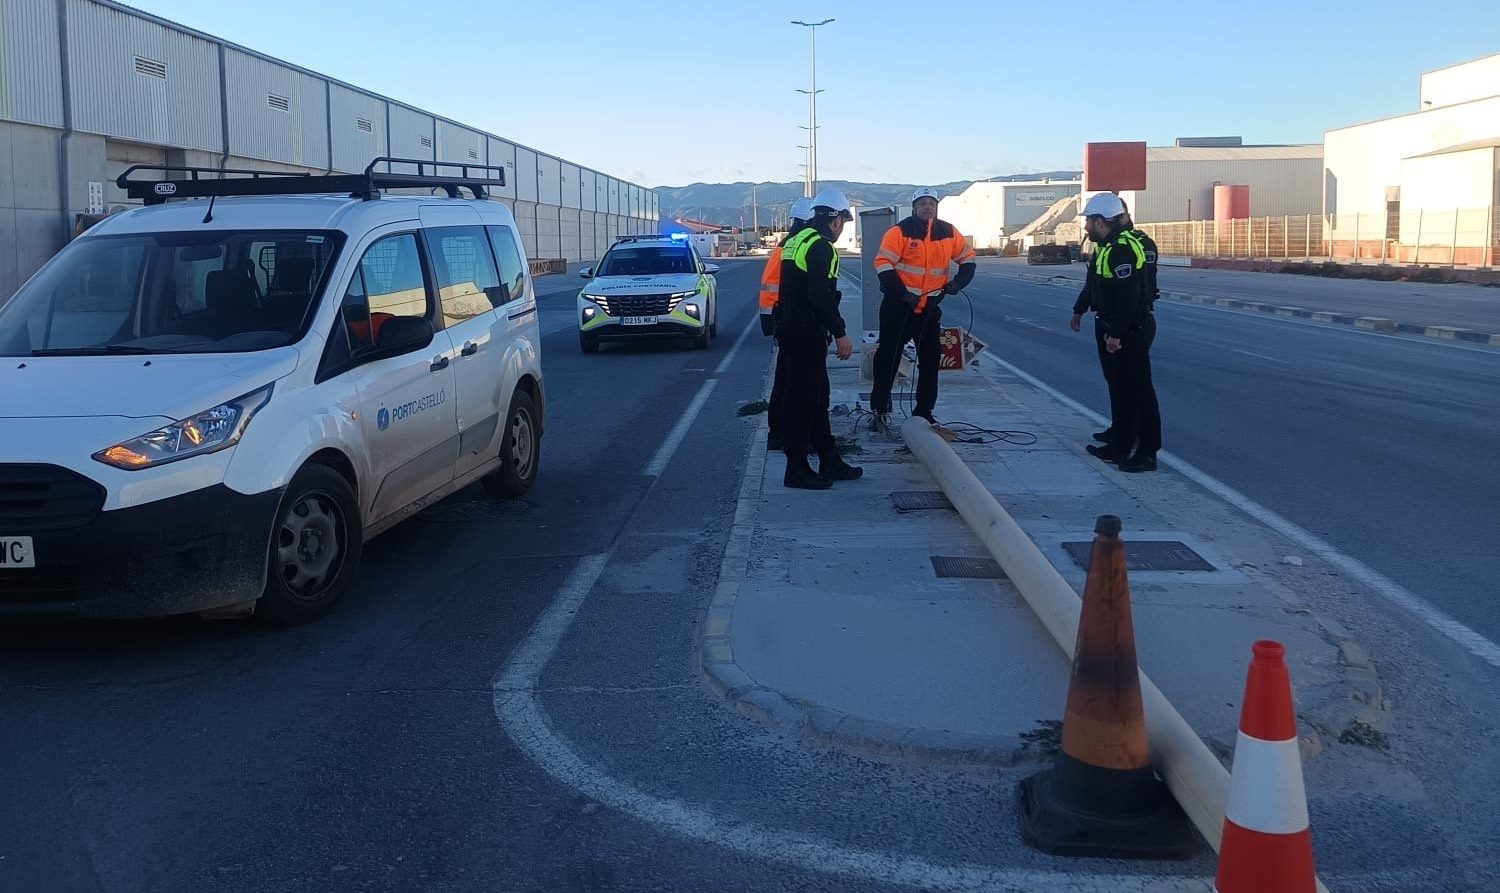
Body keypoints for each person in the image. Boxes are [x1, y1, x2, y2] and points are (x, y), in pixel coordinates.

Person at [776, 187, 862, 490]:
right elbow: (819, 295)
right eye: (844, 222)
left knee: (816, 397)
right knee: (803, 400)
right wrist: (840, 332)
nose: (842, 228)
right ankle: (796, 468)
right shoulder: (821, 246)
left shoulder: (796, 239)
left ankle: (829, 458)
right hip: (805, 330)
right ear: (836, 219)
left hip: (790, 326)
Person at [869, 188, 977, 428]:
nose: (927, 207)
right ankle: (879, 410)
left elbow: (968, 260)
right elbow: (883, 263)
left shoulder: (948, 232)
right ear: (914, 207)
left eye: (931, 203)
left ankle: (924, 412)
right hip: (898, 307)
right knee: (888, 358)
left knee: (930, 362)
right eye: (922, 204)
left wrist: (957, 284)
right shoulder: (899, 232)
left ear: (936, 207)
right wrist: (900, 292)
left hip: (929, 309)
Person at [1069, 193, 1159, 473]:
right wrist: (1079, 310)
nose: (1085, 228)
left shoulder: (1123, 248)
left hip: (1130, 329)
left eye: (1088, 222)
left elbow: (1129, 298)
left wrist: (1117, 334)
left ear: (1100, 222)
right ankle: (1119, 444)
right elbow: (1094, 282)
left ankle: (1146, 452)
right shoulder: (1107, 247)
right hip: (1110, 324)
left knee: (1139, 391)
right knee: (1119, 388)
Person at [760, 197, 814, 451]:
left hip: (785, 322)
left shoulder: (788, 247)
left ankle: (780, 432)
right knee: (790, 382)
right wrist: (775, 322)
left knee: (786, 380)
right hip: (789, 323)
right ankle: (782, 433)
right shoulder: (789, 249)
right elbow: (771, 289)